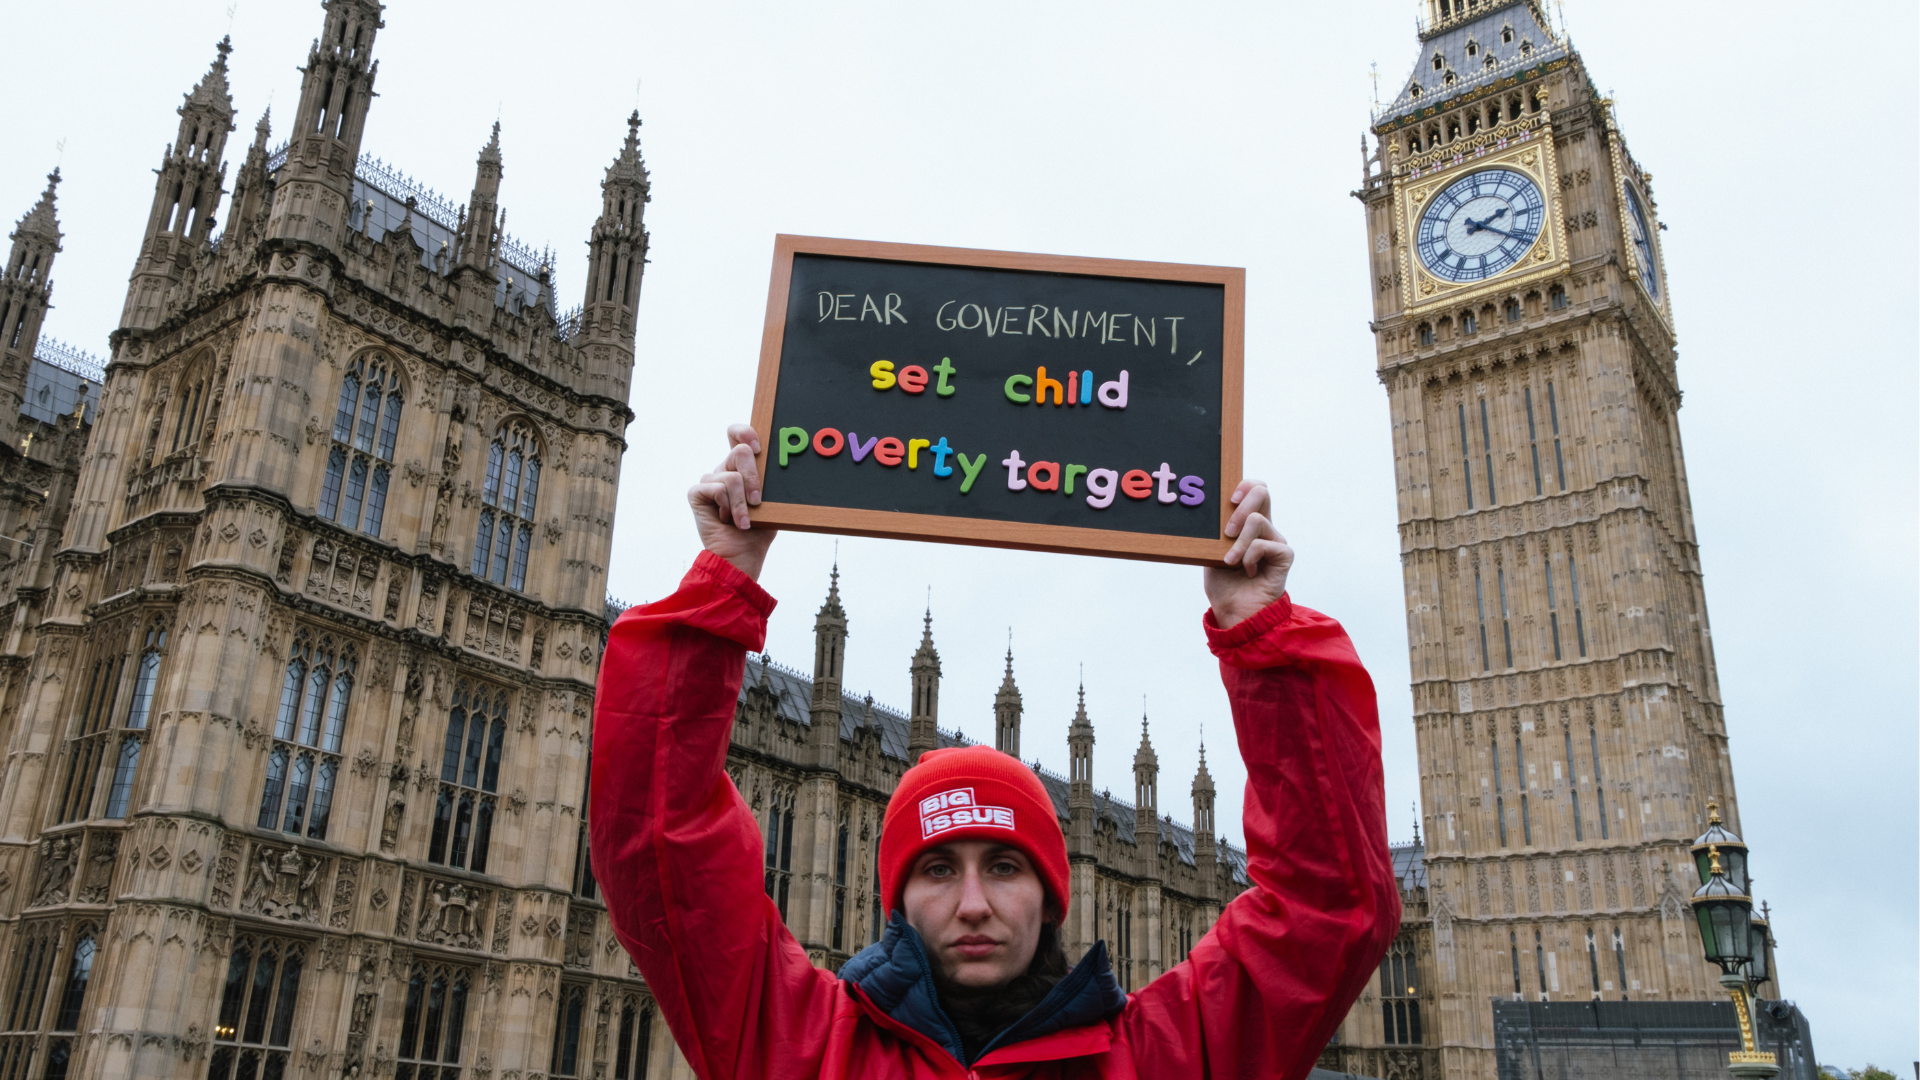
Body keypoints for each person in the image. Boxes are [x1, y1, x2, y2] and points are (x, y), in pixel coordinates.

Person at [590, 425, 1399, 1079]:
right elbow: (660, 852)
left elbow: (1329, 908)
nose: (972, 902)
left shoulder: (1160, 1058)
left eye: (1004, 867)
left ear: (1054, 895)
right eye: (939, 868)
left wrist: (1262, 634)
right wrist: (720, 586)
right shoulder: (810, 1048)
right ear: (896, 895)